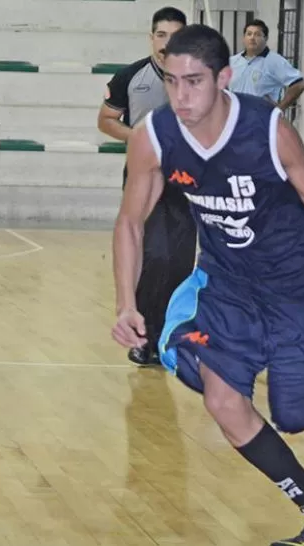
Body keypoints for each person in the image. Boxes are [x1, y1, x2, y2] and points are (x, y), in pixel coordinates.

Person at [112, 24, 304, 546]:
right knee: (220, 396)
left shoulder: (268, 129)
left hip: (295, 279)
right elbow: (129, 222)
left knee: (293, 415)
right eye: (171, 81)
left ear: (225, 78)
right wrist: (125, 303)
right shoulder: (154, 137)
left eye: (194, 82)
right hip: (230, 281)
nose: (181, 96)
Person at [97, 6, 197, 366]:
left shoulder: (200, 77)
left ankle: (168, 334)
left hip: (188, 179)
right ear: (151, 37)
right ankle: (143, 336)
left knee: (181, 260)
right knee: (155, 254)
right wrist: (139, 138)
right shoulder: (131, 76)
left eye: (175, 35)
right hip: (144, 176)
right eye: (161, 35)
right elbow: (106, 120)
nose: (167, 42)